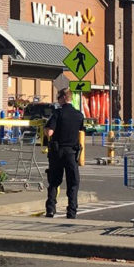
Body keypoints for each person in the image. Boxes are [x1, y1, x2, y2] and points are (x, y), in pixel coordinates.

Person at [45, 88, 85, 219]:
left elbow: (50, 132)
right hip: (72, 153)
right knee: (73, 182)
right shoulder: (79, 115)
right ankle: (71, 211)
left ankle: (51, 208)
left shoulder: (58, 113)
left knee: (54, 181)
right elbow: (81, 131)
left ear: (62, 98)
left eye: (58, 98)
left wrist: (45, 129)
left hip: (57, 152)